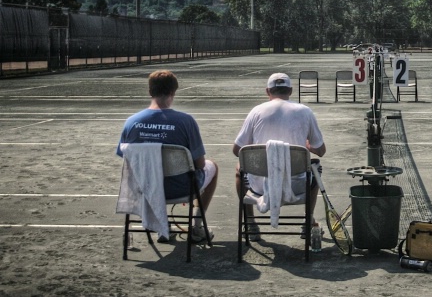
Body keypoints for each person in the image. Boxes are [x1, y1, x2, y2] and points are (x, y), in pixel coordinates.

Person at [117, 70, 218, 242]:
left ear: (150, 91)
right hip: (181, 187)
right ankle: (197, 226)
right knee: (212, 166)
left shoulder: (131, 122)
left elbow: (128, 160)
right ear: (173, 92)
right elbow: (200, 164)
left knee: (153, 170)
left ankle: (161, 226)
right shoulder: (186, 121)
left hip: (145, 187)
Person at [233, 72, 327, 240]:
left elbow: (237, 150)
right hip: (297, 185)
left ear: (268, 91)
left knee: (240, 167)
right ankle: (307, 221)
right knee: (315, 168)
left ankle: (250, 223)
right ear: (290, 91)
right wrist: (307, 146)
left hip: (260, 186)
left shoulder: (256, 111)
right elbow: (321, 150)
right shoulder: (305, 112)